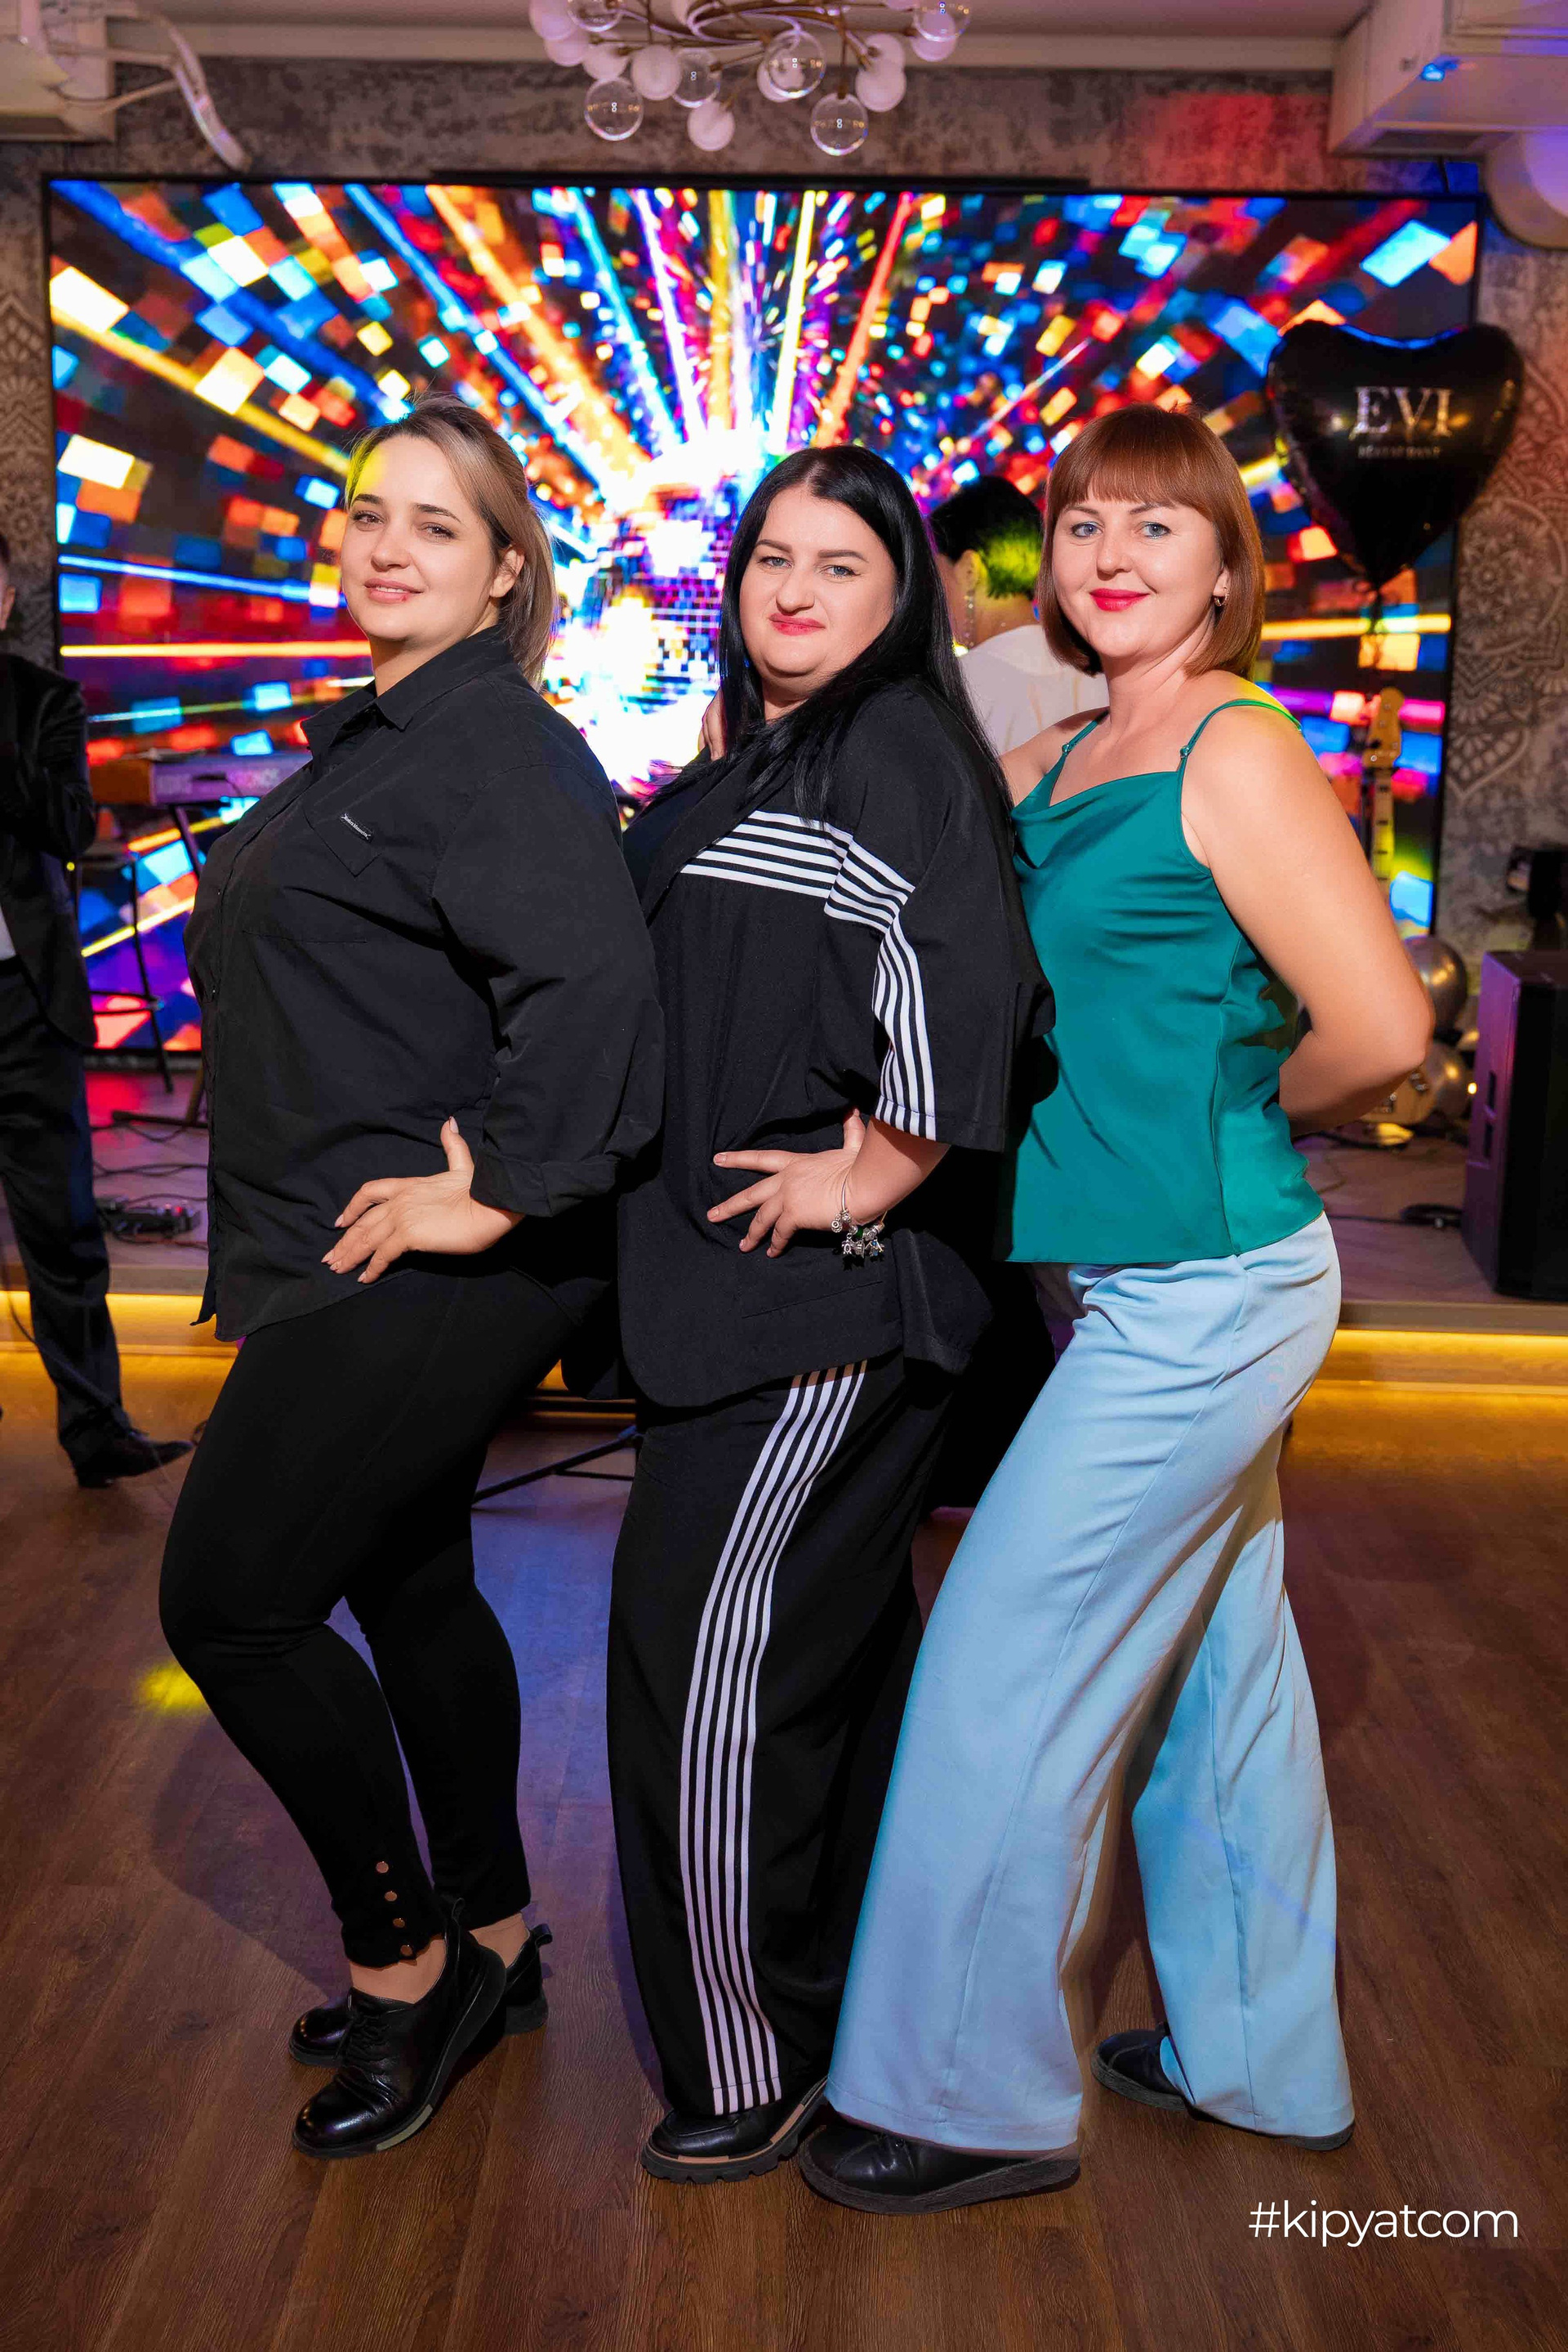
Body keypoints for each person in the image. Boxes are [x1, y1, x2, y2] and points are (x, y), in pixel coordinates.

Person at [804, 404, 1433, 2215]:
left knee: (1001, 1657)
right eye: (1086, 523)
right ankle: (1262, 2060)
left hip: (1213, 1284)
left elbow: (1384, 1031)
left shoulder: (1235, 745)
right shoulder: (1076, 745)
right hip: (1114, 1277)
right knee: (1225, 1671)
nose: (1112, 553)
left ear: (1228, 568)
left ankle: (970, 2097)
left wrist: (1223, 1104)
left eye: (1160, 526)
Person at [157, 397, 662, 2161]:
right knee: (412, 1582)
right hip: (338, 1239)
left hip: (421, 1263)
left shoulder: (493, 745)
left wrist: (498, 1190)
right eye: (370, 511)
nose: (387, 545)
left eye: (437, 525)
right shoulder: (380, 738)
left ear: (507, 570)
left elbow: (597, 988)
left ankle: (406, 1968)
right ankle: (498, 1938)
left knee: (231, 1606)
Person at [608, 445, 1049, 2185]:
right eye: (771, 558)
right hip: (735, 1303)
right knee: (829, 1683)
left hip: (812, 1317)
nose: (793, 591)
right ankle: (860, 2016)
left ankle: (757, 2058)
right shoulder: (772, 752)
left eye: (840, 564)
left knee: (707, 1692)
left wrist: (872, 1173)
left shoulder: (891, 747)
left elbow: (969, 979)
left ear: (902, 594)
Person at [0, 528, 192, 1486]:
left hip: (23, 1005)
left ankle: (97, 1429)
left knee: (64, 1228)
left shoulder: (45, 702)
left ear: (5, 602)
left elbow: (71, 827)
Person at [929, 476, 1105, 754]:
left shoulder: (951, 689)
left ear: (969, 570)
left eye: (937, 577)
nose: (934, 597)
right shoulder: (1096, 665)